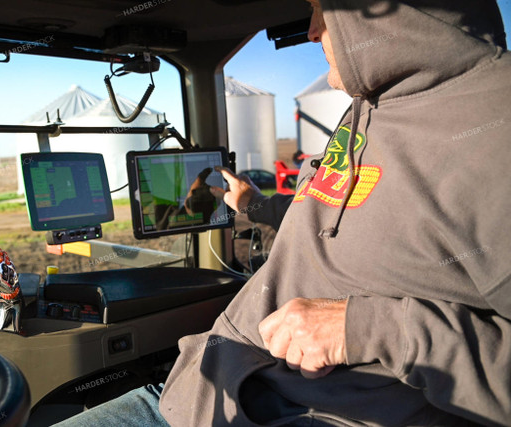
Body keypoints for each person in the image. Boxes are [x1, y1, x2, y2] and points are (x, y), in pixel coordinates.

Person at [57, 0, 511, 425]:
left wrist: (365, 329)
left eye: (321, 9)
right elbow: (346, 209)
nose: (312, 32)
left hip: (312, 411)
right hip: (208, 384)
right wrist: (254, 205)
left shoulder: (495, 120)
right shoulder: (374, 103)